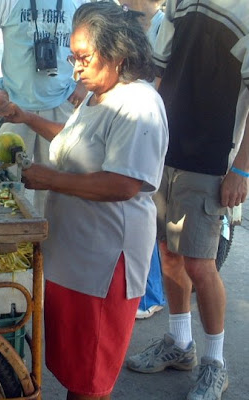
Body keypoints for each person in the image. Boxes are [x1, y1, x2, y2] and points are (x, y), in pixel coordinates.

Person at [0, 2, 168, 399]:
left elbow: (124, 184)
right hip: (74, 255)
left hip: (104, 264)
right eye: (73, 57)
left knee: (91, 377)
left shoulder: (137, 105)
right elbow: (76, 141)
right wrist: (27, 117)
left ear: (117, 53)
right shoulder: (97, 94)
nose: (75, 68)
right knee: (77, 370)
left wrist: (51, 180)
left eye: (84, 57)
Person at [126, 1, 249, 399]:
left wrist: (241, 170)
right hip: (164, 149)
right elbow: (156, 71)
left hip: (211, 161)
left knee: (200, 264)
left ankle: (216, 364)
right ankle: (180, 345)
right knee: (168, 254)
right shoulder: (179, 4)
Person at [0, 0, 88, 213]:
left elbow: (98, 41)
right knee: (5, 185)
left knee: (56, 190)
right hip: (14, 110)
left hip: (61, 106)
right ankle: (8, 242)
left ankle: (46, 244)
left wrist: (82, 84)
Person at [124, 0, 166, 320]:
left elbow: (159, 78)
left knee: (143, 207)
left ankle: (150, 294)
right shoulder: (128, 19)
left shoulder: (164, 24)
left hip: (150, 122)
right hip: (132, 119)